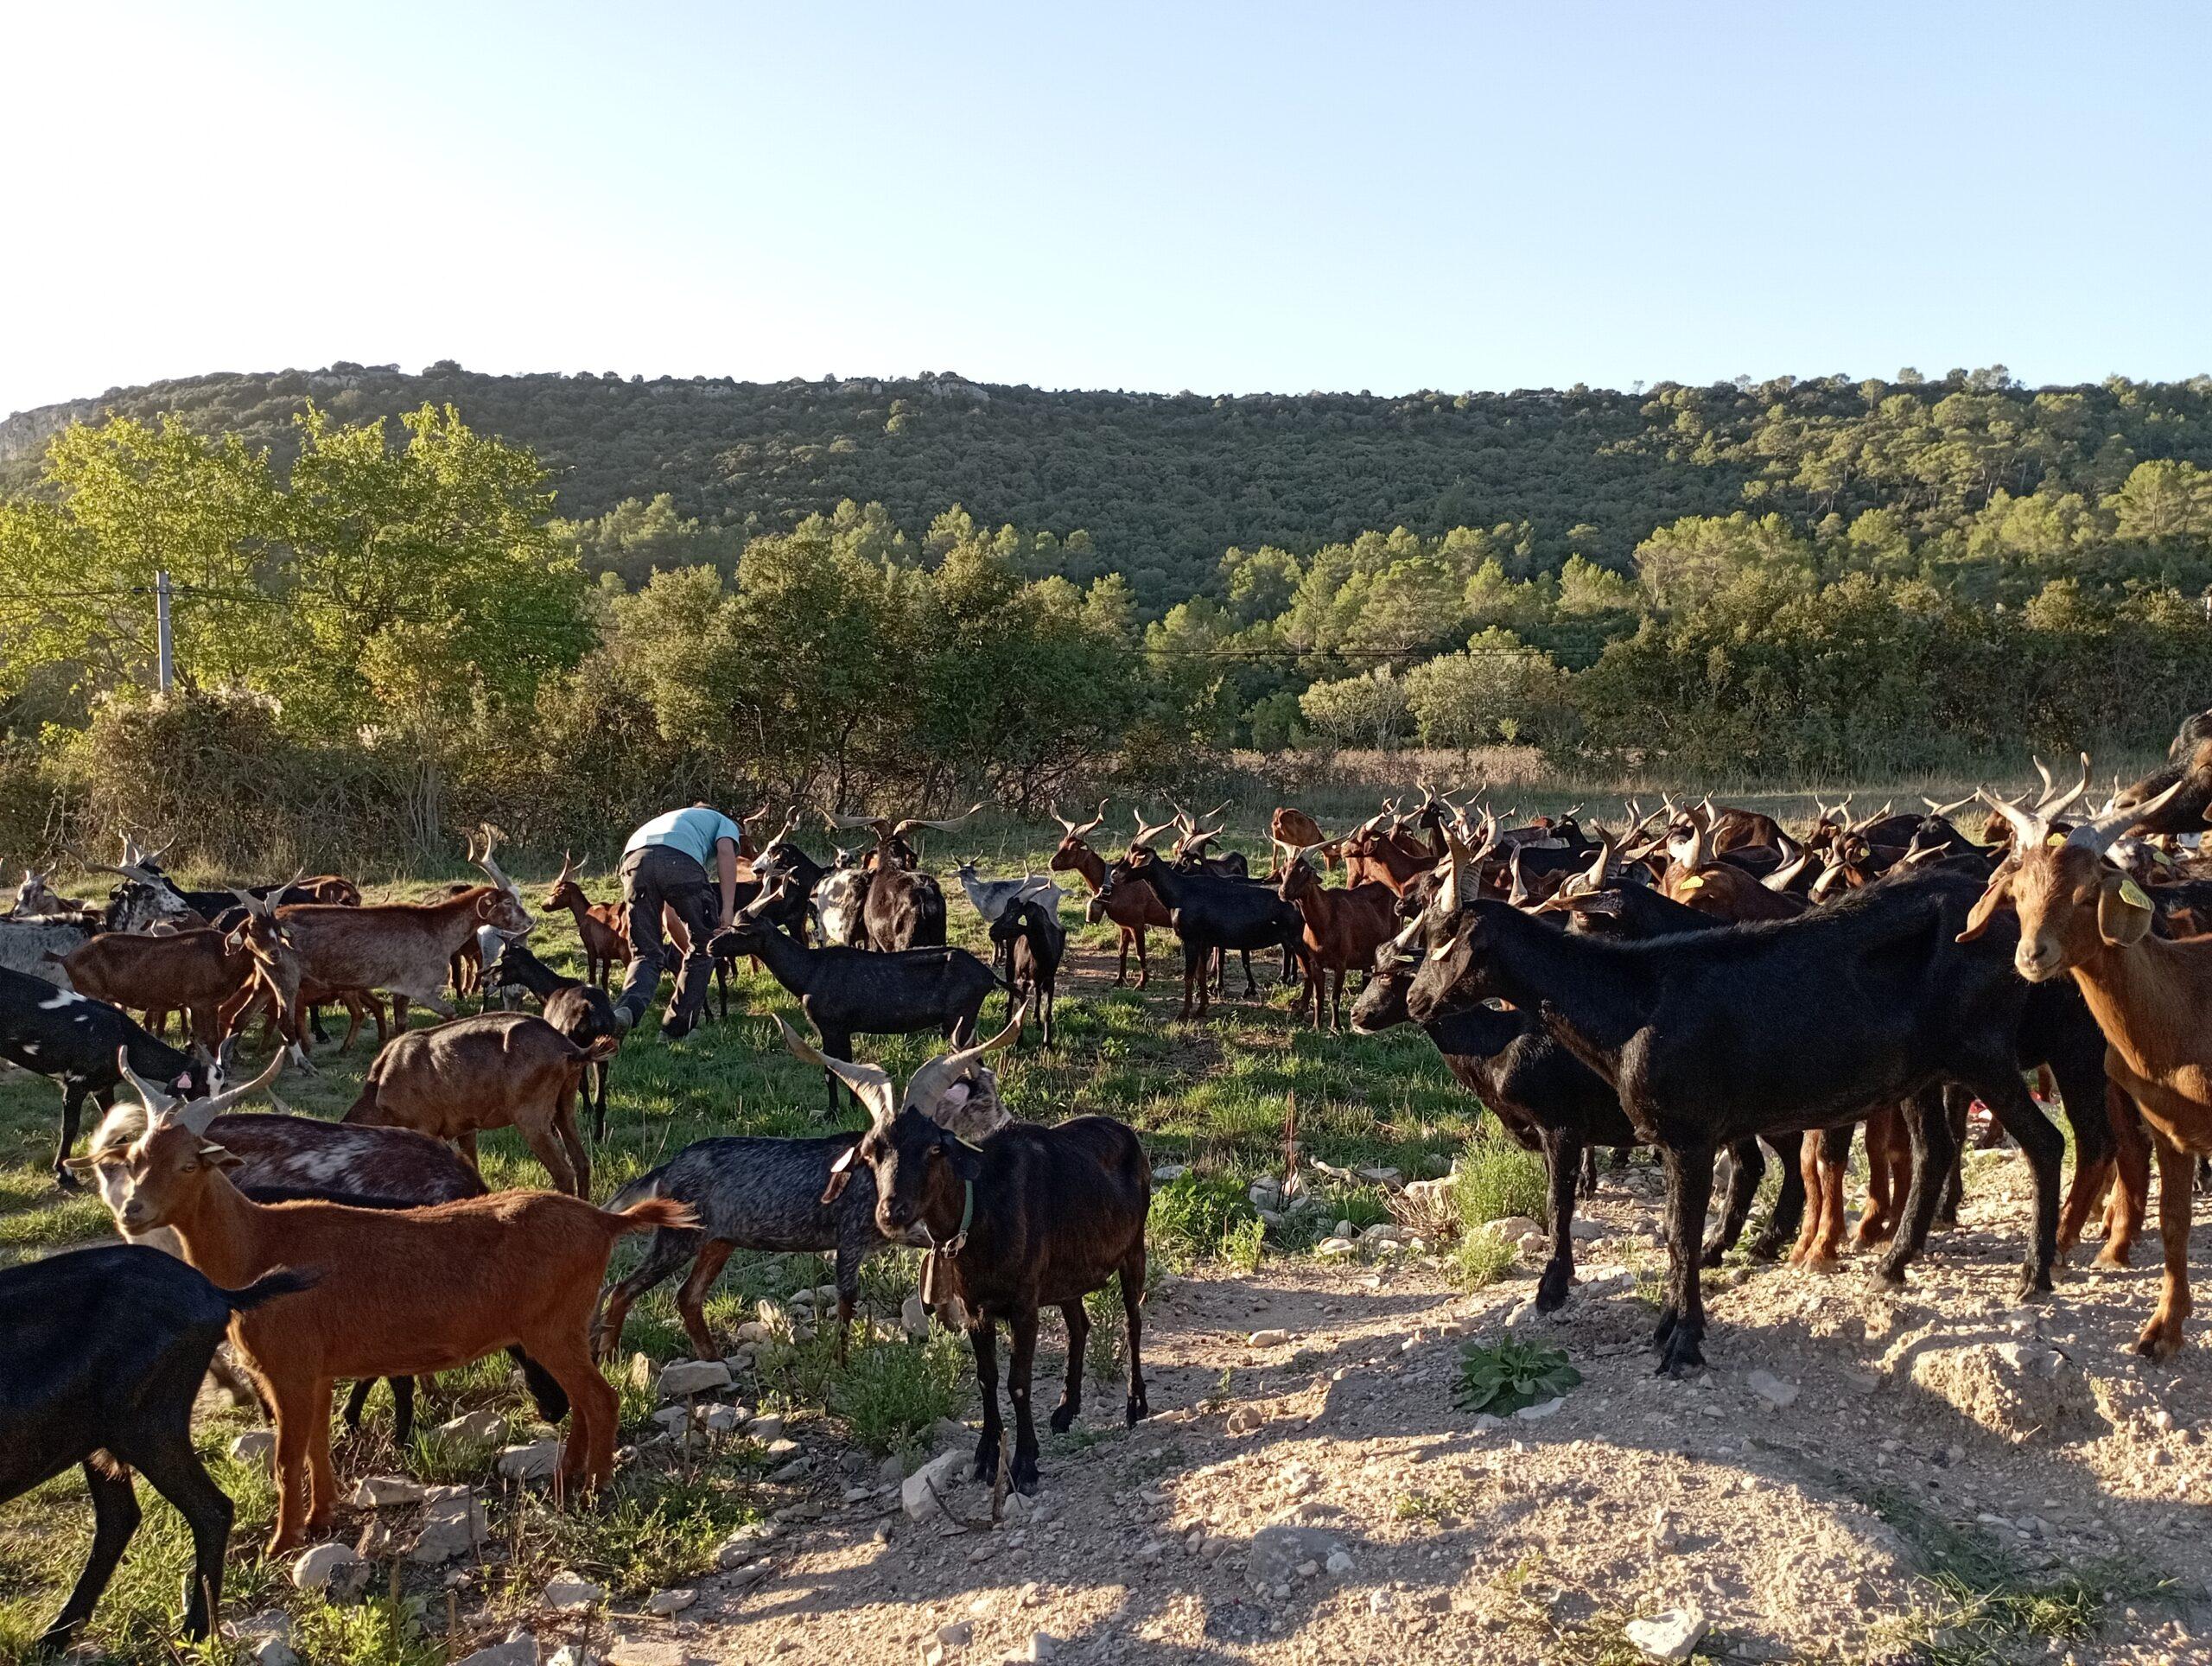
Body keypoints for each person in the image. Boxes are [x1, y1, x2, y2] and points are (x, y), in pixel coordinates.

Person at [613, 803, 743, 1039]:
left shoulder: (676, 819)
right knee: (706, 947)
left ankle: (625, 1011)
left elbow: (671, 918)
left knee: (646, 953)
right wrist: (728, 908)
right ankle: (677, 1029)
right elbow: (725, 852)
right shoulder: (723, 821)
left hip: (633, 861)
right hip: (678, 862)